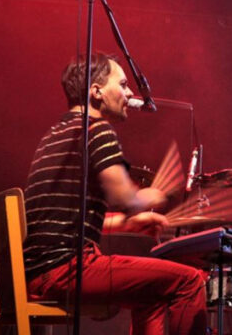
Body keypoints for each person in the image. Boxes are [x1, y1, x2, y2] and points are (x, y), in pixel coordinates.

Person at [23, 53, 208, 334]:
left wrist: (125, 224)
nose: (130, 93)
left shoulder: (54, 136)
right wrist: (156, 194)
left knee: (150, 295)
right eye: (122, 85)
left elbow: (60, 219)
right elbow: (126, 199)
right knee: (190, 281)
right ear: (96, 92)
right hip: (65, 271)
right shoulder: (96, 130)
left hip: (39, 273)